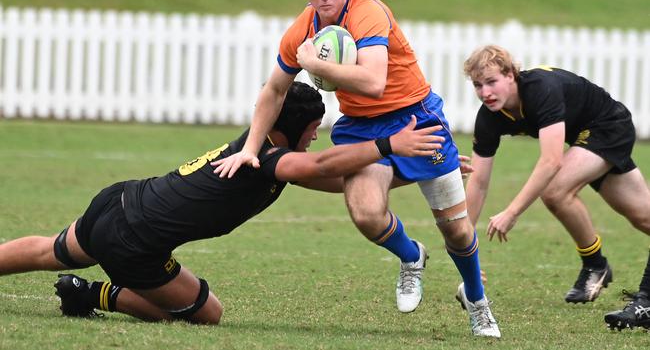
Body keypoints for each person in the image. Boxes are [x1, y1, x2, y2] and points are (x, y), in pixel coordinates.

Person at [215, 0, 500, 337]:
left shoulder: (368, 12)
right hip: (362, 127)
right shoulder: (303, 28)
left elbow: (372, 82)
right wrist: (250, 148)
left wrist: (315, 66)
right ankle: (411, 256)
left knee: (455, 228)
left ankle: (476, 300)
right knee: (365, 212)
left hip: (415, 118)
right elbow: (274, 91)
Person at [0, 82, 445, 324]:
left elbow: (331, 180)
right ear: (293, 127)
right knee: (207, 313)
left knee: (50, 251)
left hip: (117, 200)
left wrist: (421, 170)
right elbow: (323, 165)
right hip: (136, 242)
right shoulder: (272, 160)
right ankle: (95, 293)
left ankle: (79, 283)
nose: (316, 135)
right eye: (314, 127)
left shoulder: (262, 150)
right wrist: (392, 144)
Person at [462, 44, 650, 331]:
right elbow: (478, 180)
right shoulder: (489, 117)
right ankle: (596, 265)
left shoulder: (539, 90)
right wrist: (464, 246)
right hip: (583, 141)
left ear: (511, 75)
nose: (485, 92)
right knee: (644, 218)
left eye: (492, 82)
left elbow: (551, 162)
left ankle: (595, 265)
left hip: (609, 126)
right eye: (478, 85)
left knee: (555, 190)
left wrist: (512, 212)